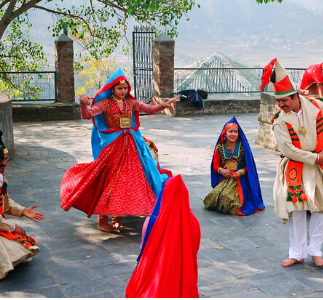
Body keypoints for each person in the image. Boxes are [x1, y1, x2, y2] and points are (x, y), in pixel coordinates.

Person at [60, 69, 177, 232]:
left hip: (131, 146)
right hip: (113, 148)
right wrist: (82, 104)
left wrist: (163, 105)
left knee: (128, 180)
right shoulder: (104, 104)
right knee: (110, 180)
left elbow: (148, 110)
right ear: (112, 89)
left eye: (125, 88)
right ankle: (102, 219)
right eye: (119, 88)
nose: (123, 91)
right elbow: (87, 116)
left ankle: (117, 218)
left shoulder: (131, 102)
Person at [260, 58, 323, 267]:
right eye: (278, 102)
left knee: (322, 208)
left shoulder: (315, 105)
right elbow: (288, 149)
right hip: (297, 166)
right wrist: (314, 157)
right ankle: (297, 252)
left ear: (295, 97)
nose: (281, 105)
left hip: (320, 164)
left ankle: (315, 250)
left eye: (285, 101)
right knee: (297, 210)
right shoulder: (280, 120)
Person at [126, 175, 200, 298]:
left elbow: (143, 249)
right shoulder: (193, 223)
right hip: (183, 274)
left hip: (156, 276)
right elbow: (194, 249)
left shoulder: (151, 221)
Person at [0, 131, 44, 280]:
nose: (5, 163)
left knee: (23, 250)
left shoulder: (1, 179)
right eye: (2, 159)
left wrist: (23, 211)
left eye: (6, 159)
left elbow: (4, 203)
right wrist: (13, 227)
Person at [203, 117, 265, 215]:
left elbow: (249, 166)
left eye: (235, 132)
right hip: (225, 177)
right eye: (230, 132)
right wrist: (222, 171)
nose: (233, 134)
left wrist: (241, 172)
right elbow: (215, 166)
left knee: (229, 199)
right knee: (211, 199)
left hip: (240, 178)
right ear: (225, 133)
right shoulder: (220, 147)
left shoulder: (243, 146)